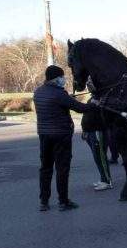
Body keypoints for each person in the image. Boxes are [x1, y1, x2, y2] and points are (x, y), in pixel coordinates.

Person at [33, 65, 96, 211]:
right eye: (61, 77)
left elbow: (59, 103)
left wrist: (66, 97)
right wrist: (93, 104)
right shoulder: (59, 94)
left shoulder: (38, 92)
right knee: (62, 168)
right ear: (56, 79)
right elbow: (80, 108)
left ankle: (44, 202)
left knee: (46, 168)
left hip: (44, 135)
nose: (63, 79)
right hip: (61, 135)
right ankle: (63, 201)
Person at [81, 78, 113, 191]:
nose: (88, 84)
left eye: (91, 82)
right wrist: (85, 130)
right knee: (97, 157)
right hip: (90, 131)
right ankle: (103, 178)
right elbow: (86, 115)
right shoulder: (92, 98)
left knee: (101, 157)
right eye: (88, 82)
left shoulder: (103, 98)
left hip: (98, 131)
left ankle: (107, 181)